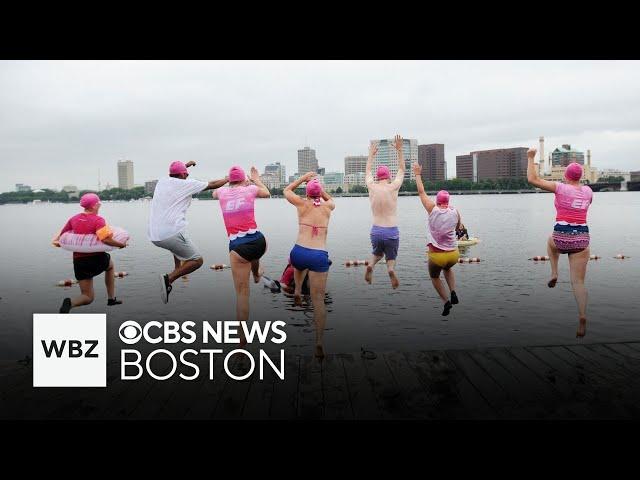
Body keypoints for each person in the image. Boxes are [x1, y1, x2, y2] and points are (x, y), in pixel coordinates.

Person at [526, 147, 593, 337]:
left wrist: (531, 158)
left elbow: (533, 180)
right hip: (581, 239)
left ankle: (554, 272)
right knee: (578, 282)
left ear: (566, 175)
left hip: (561, 237)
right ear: (580, 177)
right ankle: (582, 316)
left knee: (550, 241)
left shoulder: (560, 187)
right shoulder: (588, 191)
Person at [149, 160, 228, 303]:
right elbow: (212, 184)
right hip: (171, 233)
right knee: (197, 260)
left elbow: (176, 173)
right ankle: (169, 279)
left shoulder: (162, 181)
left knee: (177, 243)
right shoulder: (187, 184)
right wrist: (227, 179)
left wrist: (185, 165)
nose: (187, 176)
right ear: (183, 175)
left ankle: (176, 269)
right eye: (186, 174)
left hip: (155, 236)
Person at [213, 166, 270, 344]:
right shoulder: (250, 189)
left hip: (238, 248)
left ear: (230, 180)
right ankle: (256, 272)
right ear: (243, 180)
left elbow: (214, 192)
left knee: (242, 295)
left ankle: (242, 336)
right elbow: (267, 193)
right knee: (257, 251)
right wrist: (254, 179)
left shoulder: (221, 193)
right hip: (259, 242)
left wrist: (228, 181)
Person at [284, 172, 335, 359]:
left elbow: (287, 190)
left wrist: (303, 178)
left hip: (298, 252)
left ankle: (297, 290)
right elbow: (332, 200)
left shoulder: (301, 204)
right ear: (320, 194)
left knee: (298, 265)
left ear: (306, 194)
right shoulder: (328, 207)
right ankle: (319, 341)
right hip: (318, 255)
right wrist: (321, 191)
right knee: (318, 300)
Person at [53, 193, 127, 313]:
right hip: (96, 258)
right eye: (98, 204)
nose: (99, 206)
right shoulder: (98, 220)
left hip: (79, 261)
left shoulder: (74, 218)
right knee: (110, 266)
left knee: (87, 297)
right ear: (93, 206)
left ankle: (70, 303)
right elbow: (105, 239)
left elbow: (62, 234)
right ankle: (111, 298)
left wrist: (57, 242)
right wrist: (121, 245)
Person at [413, 163, 461, 316]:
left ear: (437, 201)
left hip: (437, 255)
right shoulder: (455, 212)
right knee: (448, 268)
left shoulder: (432, 209)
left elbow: (421, 192)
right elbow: (459, 228)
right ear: (448, 201)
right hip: (453, 254)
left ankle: (446, 301)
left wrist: (417, 174)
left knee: (434, 277)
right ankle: (453, 291)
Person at [364, 135, 404, 289]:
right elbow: (402, 169)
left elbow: (367, 170)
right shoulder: (393, 187)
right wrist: (399, 151)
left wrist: (370, 155)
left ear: (377, 176)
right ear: (388, 176)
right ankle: (391, 269)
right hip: (391, 230)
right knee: (391, 256)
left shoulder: (371, 186)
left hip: (376, 231)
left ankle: (371, 266)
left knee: (377, 254)